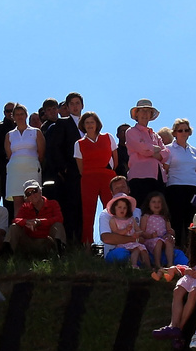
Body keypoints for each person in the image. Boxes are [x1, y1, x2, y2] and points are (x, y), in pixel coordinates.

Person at [153, 210, 196, 344]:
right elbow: (192, 265)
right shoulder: (195, 245)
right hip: (195, 272)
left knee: (194, 292)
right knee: (178, 290)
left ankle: (179, 329)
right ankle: (173, 325)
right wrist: (186, 270)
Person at [42, 94, 83, 244]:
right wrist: (63, 168)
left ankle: (83, 242)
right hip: (71, 173)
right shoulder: (62, 123)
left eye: (77, 103)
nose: (75, 106)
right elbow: (54, 148)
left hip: (87, 173)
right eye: (71, 104)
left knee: (84, 208)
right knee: (71, 207)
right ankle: (71, 242)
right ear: (67, 106)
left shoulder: (88, 123)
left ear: (82, 105)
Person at [75, 112, 115, 245]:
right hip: (88, 179)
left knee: (111, 210)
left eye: (92, 122)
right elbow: (80, 167)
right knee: (88, 212)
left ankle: (112, 243)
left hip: (107, 177)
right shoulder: (79, 143)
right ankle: (87, 244)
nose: (90, 125)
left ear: (97, 124)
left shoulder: (108, 137)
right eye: (87, 123)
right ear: (83, 125)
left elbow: (115, 159)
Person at [161, 119, 196, 237]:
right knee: (177, 221)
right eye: (180, 130)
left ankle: (191, 251)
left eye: (186, 130)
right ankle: (177, 249)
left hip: (193, 190)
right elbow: (165, 169)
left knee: (192, 221)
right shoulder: (169, 149)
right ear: (174, 133)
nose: (184, 133)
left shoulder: (194, 150)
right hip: (176, 189)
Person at [123, 100, 166, 211]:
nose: (145, 114)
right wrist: (155, 150)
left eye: (148, 111)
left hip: (157, 177)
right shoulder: (131, 131)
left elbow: (166, 154)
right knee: (140, 210)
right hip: (139, 177)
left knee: (157, 212)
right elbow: (142, 149)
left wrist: (153, 151)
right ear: (136, 114)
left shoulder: (155, 135)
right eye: (142, 111)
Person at [5, 180, 64, 256]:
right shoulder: (25, 207)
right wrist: (27, 222)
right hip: (29, 242)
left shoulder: (53, 204)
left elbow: (59, 218)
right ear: (27, 197)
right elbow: (16, 220)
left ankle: (60, 253)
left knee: (58, 225)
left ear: (40, 191)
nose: (32, 195)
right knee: (14, 227)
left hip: (48, 241)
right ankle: (7, 256)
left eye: (34, 191)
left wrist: (40, 222)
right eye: (28, 193)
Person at [3, 105, 43, 207]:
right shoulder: (9, 135)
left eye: (22, 114)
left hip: (32, 168)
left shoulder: (36, 132)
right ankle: (18, 222)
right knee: (18, 202)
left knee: (32, 200)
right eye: (17, 114)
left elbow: (41, 152)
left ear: (26, 115)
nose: (20, 117)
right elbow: (9, 154)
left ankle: (33, 222)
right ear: (13, 117)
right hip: (15, 171)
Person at [100, 194, 145, 266]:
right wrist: (131, 236)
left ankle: (148, 268)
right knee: (121, 255)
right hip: (121, 247)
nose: (122, 209)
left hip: (135, 244)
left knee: (144, 252)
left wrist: (139, 234)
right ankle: (134, 265)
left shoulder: (133, 216)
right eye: (119, 207)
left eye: (124, 208)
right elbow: (111, 236)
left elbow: (140, 231)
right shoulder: (110, 218)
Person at [140, 192, 176, 269]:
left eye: (159, 202)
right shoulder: (146, 217)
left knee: (168, 241)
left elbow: (169, 230)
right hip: (150, 240)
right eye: (154, 202)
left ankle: (170, 264)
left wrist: (170, 235)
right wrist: (150, 236)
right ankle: (158, 264)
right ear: (148, 204)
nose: (157, 204)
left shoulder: (164, 217)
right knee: (158, 241)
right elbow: (141, 232)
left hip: (162, 238)